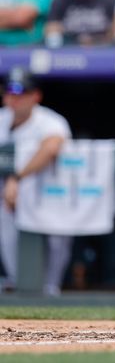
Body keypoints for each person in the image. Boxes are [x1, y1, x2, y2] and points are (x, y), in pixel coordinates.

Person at [0, 67, 72, 296]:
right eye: (9, 92)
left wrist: (18, 178)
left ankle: (51, 286)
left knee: (57, 232)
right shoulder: (2, 119)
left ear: (36, 96)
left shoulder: (50, 121)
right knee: (5, 216)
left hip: (50, 192)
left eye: (21, 93)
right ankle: (15, 279)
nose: (14, 98)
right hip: (9, 192)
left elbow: (52, 146)